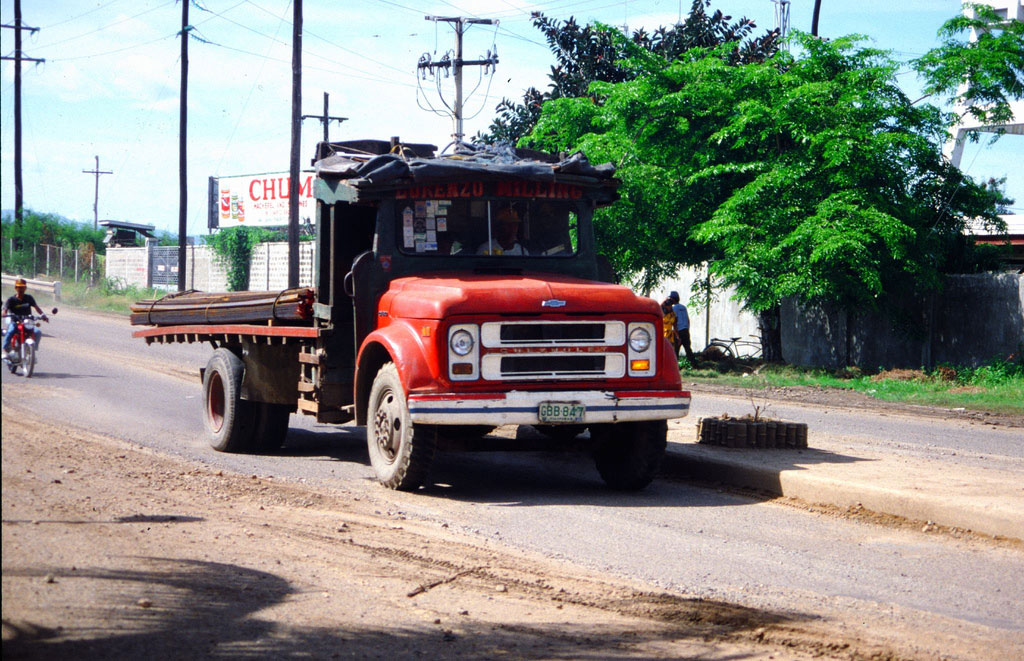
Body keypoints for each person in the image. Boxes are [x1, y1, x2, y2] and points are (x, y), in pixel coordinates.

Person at [2, 277, 48, 359]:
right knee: (10, 331)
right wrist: (4, 314)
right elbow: (5, 310)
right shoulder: (11, 300)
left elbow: (37, 308)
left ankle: (33, 349)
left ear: (25, 288)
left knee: (37, 332)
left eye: (22, 287)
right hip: (16, 322)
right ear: (15, 288)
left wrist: (43, 315)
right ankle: (4, 349)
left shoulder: (29, 298)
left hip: (27, 322)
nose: (21, 289)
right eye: (19, 287)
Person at [669, 290, 695, 363]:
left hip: (679, 331)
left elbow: (675, 321)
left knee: (675, 350)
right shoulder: (683, 307)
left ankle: (675, 366)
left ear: (672, 299)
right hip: (685, 330)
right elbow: (688, 319)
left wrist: (676, 334)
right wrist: (687, 329)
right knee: (688, 349)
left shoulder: (673, 308)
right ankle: (694, 365)